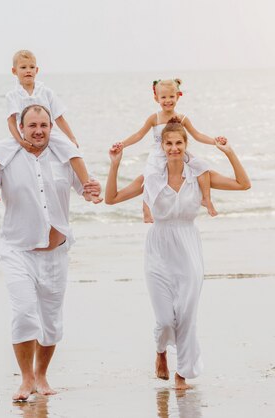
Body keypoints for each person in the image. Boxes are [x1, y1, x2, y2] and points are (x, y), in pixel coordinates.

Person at [0, 105, 101, 401]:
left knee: (51, 322)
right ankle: (26, 379)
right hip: (18, 251)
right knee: (25, 313)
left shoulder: (64, 156)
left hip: (56, 253)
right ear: (21, 127)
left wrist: (95, 190)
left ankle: (42, 375)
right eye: (32, 125)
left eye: (44, 125)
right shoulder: (6, 156)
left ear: (51, 126)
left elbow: (88, 190)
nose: (38, 130)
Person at [105, 118, 250, 390]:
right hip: (158, 248)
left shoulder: (200, 175)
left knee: (186, 314)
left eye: (178, 143)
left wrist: (229, 152)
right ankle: (161, 350)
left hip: (188, 247)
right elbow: (111, 198)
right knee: (163, 318)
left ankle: (182, 373)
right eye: (169, 143)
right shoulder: (149, 178)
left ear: (186, 145)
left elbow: (243, 184)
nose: (174, 148)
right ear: (161, 146)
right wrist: (115, 164)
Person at [0, 49, 102, 204]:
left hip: (48, 134)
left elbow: (59, 117)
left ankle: (88, 188)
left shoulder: (46, 92)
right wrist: (20, 141)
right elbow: (11, 122)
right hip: (22, 135)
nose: (28, 71)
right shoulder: (12, 95)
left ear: (37, 70)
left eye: (31, 67)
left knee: (72, 150)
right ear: (14, 71)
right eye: (23, 67)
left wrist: (71, 137)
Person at [111, 78, 225, 222]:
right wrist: (123, 144)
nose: (168, 100)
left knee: (201, 167)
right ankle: (146, 209)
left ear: (178, 96)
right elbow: (138, 135)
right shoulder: (155, 118)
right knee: (150, 175)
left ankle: (206, 199)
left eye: (171, 96)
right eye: (163, 97)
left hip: (177, 153)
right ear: (156, 98)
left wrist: (214, 141)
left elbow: (197, 135)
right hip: (160, 153)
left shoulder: (182, 118)